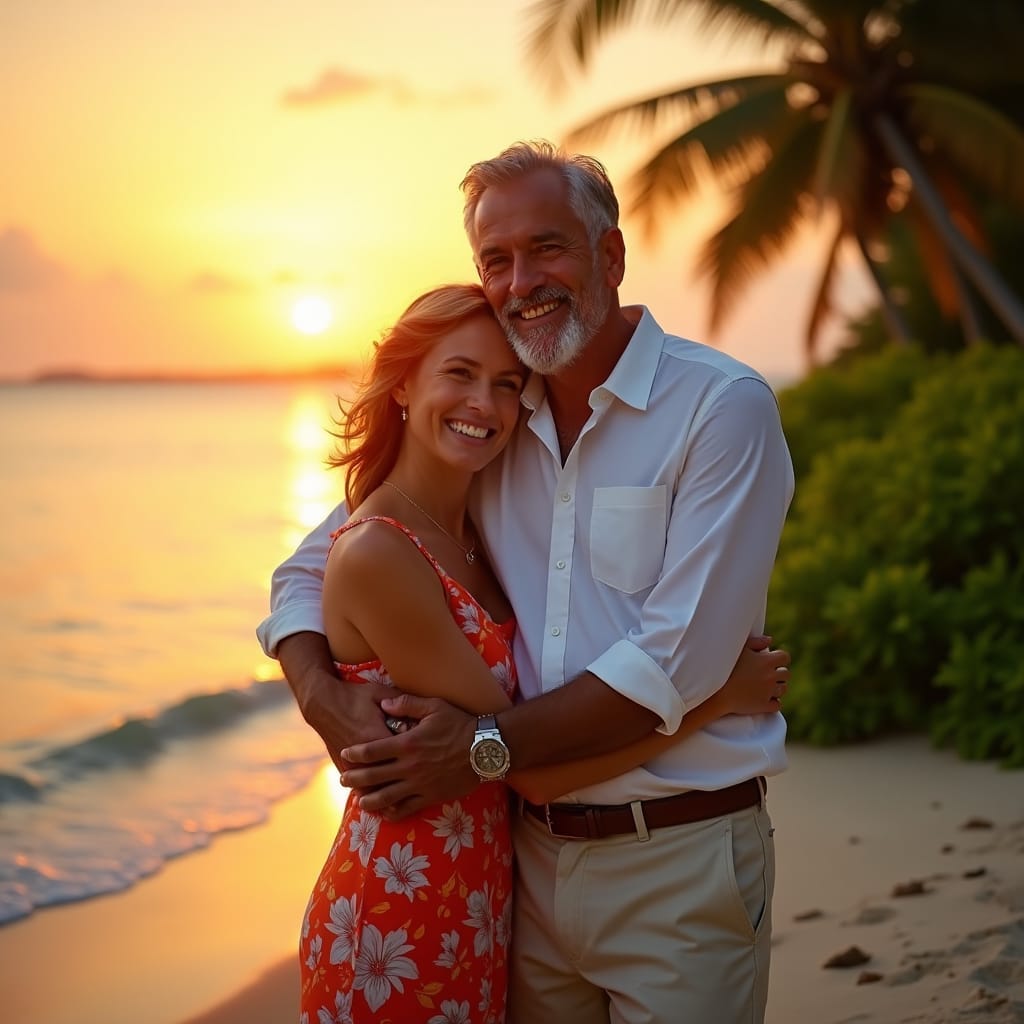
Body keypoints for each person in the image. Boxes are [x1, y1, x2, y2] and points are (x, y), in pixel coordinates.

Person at [259, 141, 794, 1024]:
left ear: (610, 255)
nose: (520, 281)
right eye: (494, 260)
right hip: (521, 872)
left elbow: (669, 666)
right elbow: (313, 565)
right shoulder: (499, 419)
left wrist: (478, 750)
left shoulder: (720, 409)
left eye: (546, 247)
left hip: (679, 856)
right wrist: (319, 690)